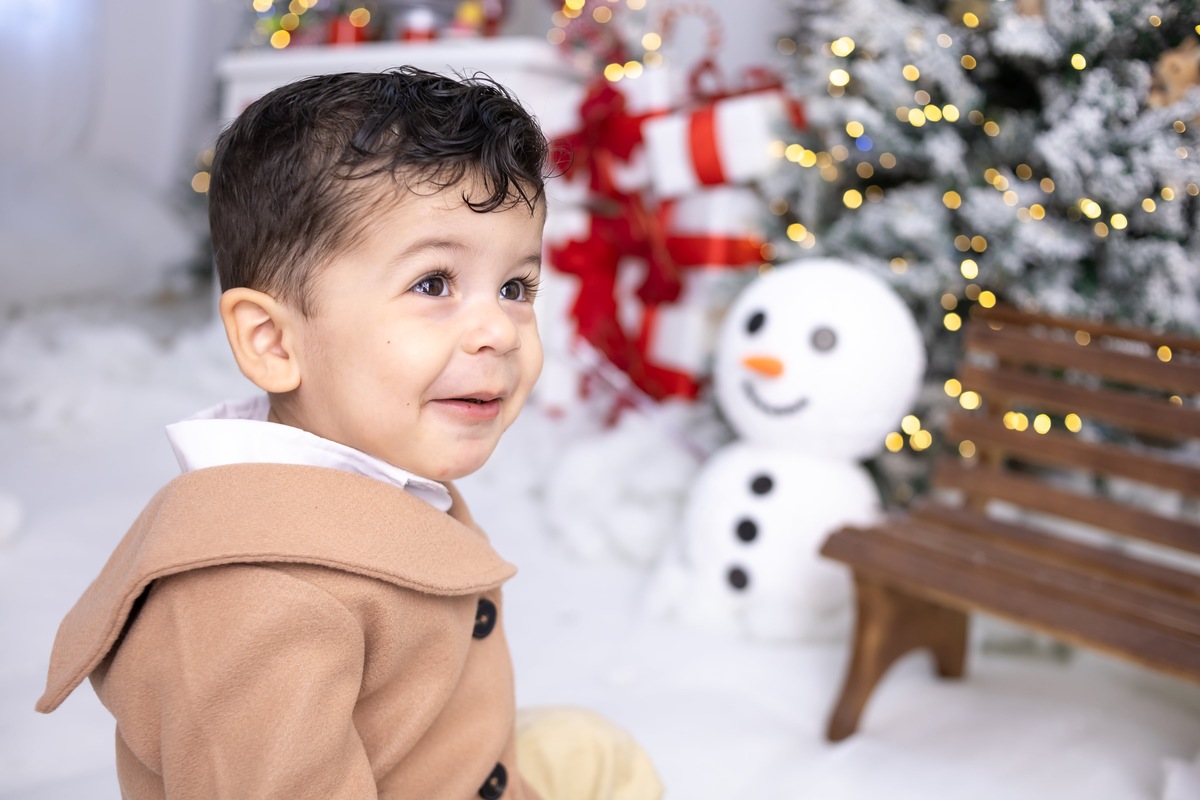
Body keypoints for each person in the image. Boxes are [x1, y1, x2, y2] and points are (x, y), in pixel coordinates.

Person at [36, 67, 661, 800]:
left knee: (590, 750)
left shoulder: (371, 466)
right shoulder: (255, 607)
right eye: (434, 283)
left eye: (515, 287)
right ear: (272, 340)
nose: (498, 328)